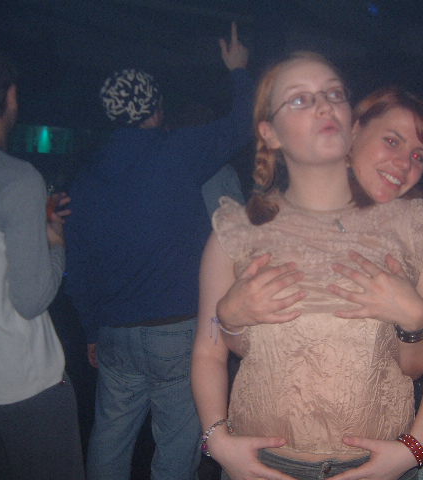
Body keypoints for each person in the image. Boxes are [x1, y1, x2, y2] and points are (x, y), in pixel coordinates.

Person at [192, 52, 423, 480]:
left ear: (350, 120)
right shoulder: (239, 229)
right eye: (301, 99)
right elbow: (209, 349)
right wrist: (217, 441)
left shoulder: (413, 226)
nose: (324, 105)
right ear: (270, 133)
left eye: (334, 94)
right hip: (264, 469)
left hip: (378, 467)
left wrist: (412, 450)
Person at [64, 23, 251, 480]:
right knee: (176, 445)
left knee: (110, 438)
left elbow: (78, 265)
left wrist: (91, 329)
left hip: (115, 333)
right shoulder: (176, 152)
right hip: (176, 329)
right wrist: (239, 70)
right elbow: (244, 123)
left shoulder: (87, 179)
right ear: (157, 108)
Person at [0, 52, 83, 479]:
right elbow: (31, 299)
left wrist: (32, 222)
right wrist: (55, 242)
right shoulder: (17, 177)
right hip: (22, 383)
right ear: (11, 97)